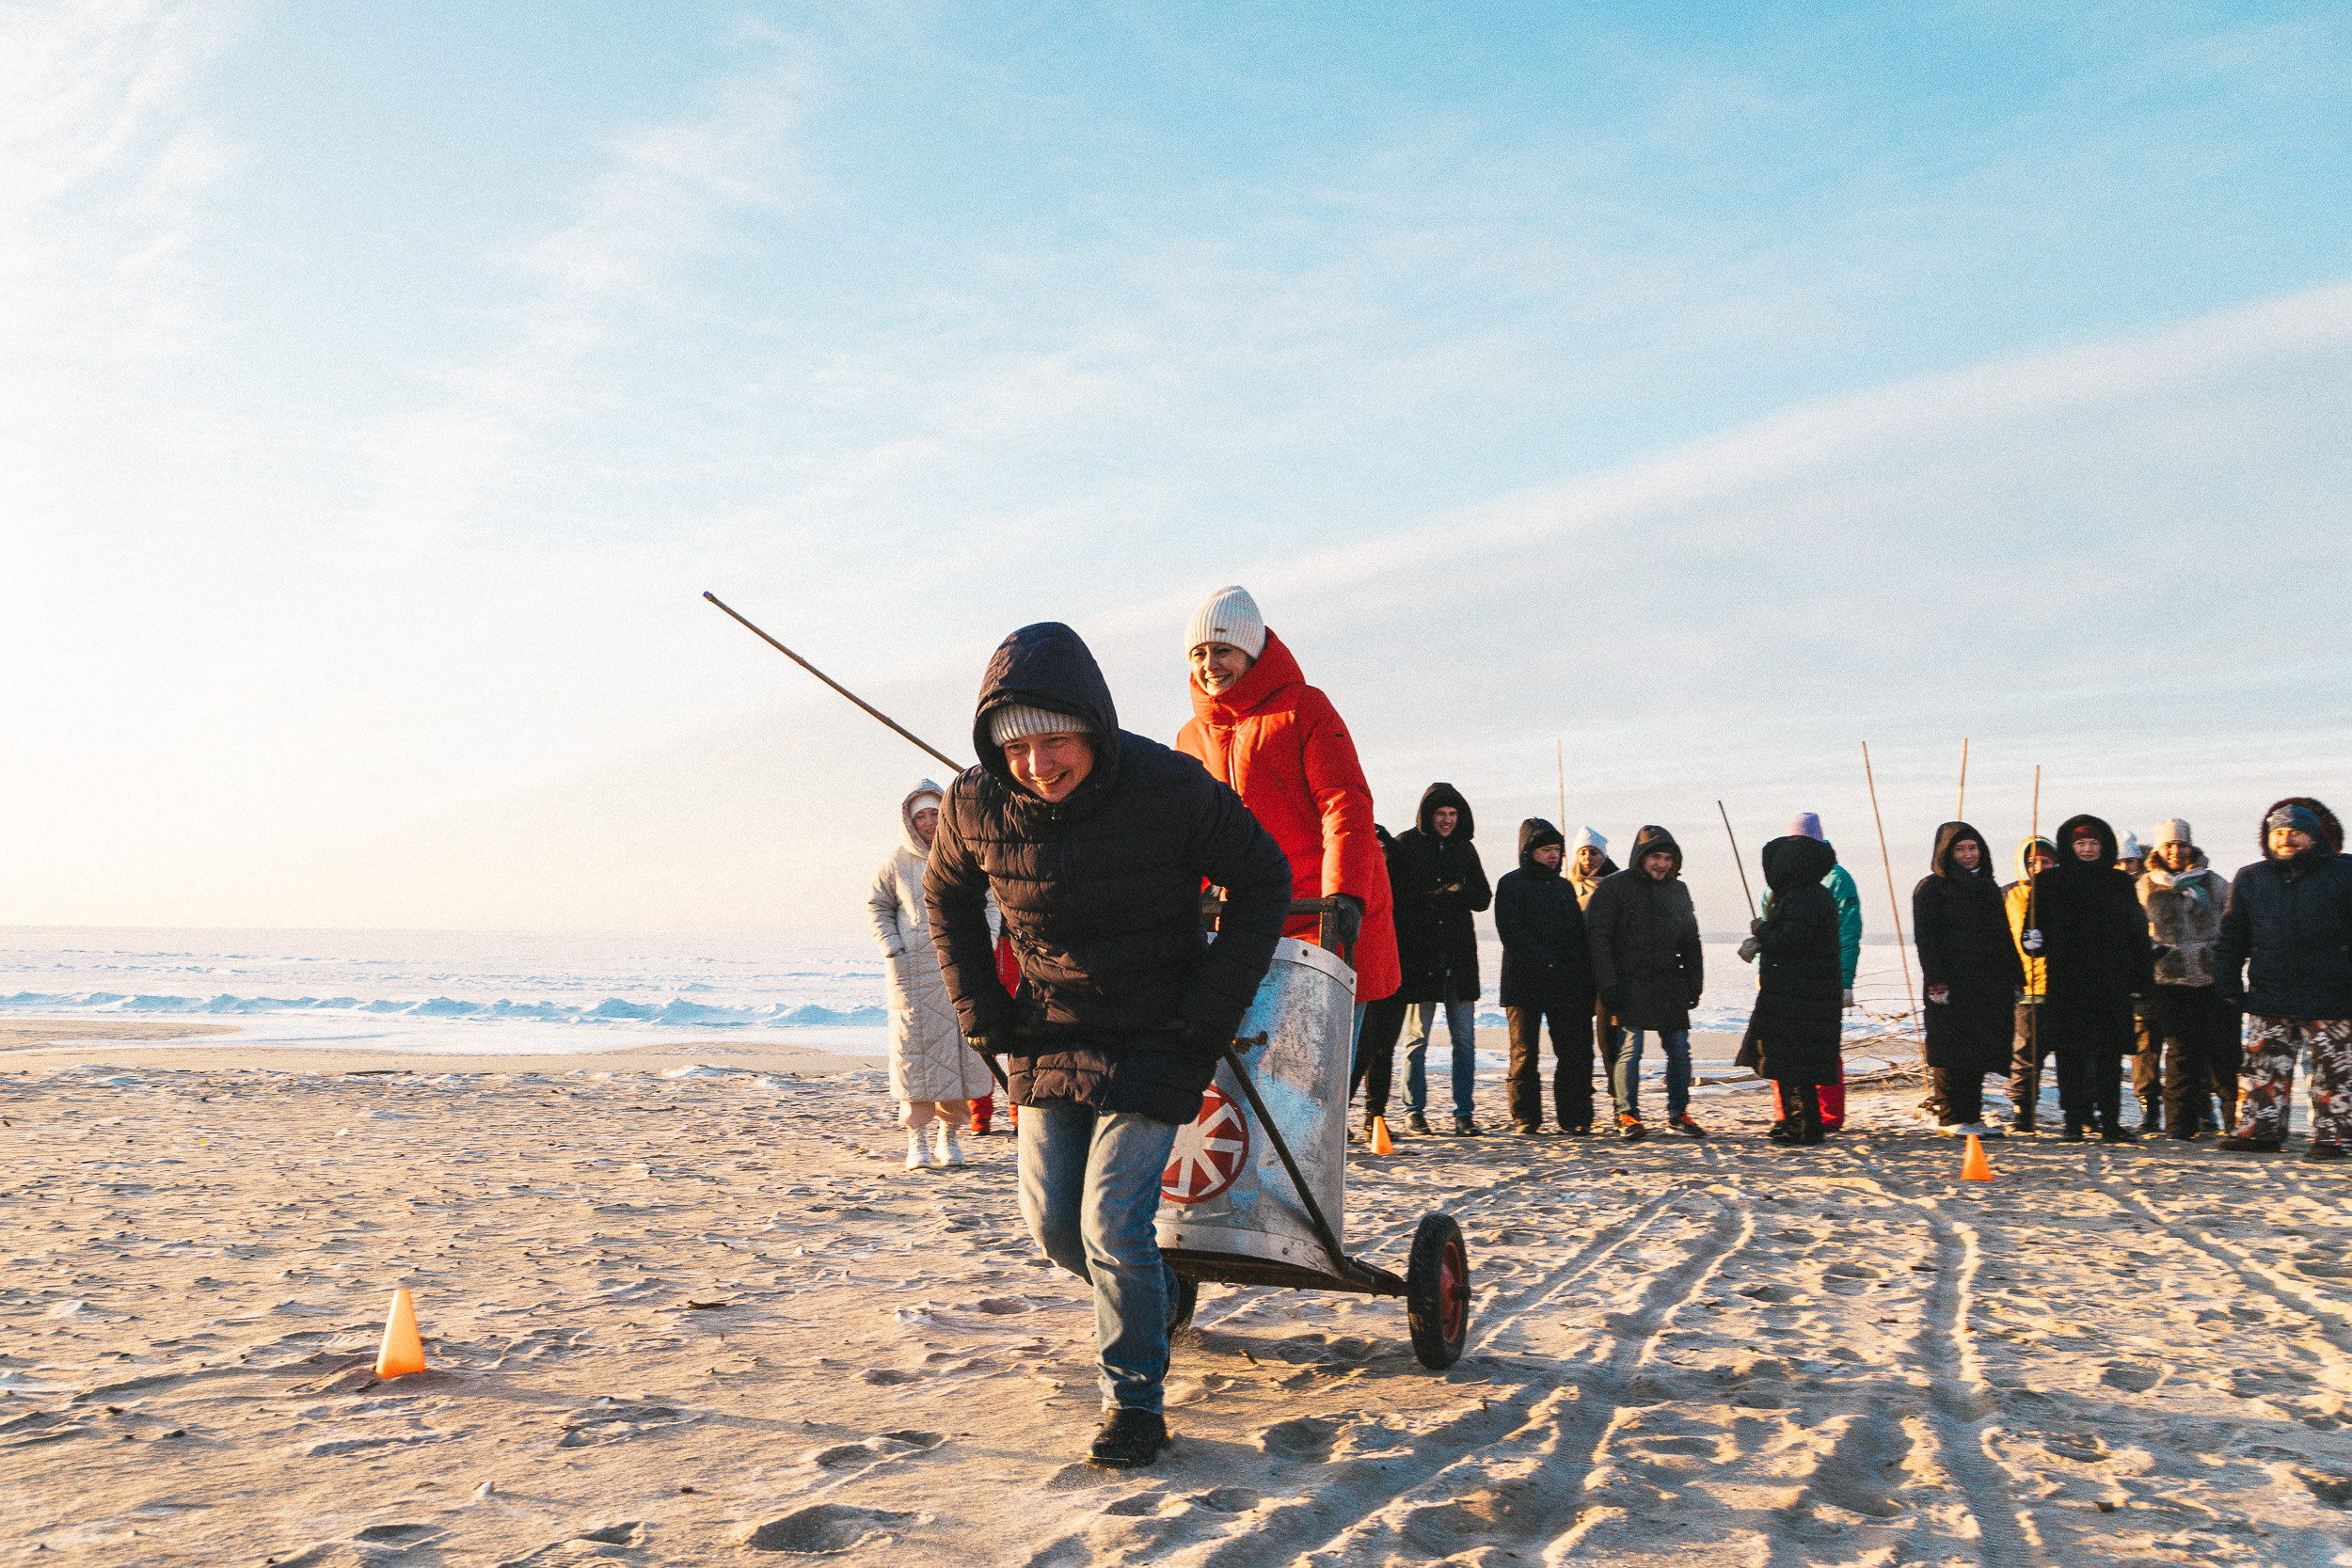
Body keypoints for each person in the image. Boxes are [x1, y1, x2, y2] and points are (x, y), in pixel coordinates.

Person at [925, 622, 1291, 1468]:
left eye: (1056, 740)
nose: (1039, 764)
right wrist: (981, 1008)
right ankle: (1156, 1296)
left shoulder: (1168, 785)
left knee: (1110, 1219)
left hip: (1163, 1027)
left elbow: (1264, 874)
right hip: (1050, 1026)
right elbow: (947, 898)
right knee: (1053, 1224)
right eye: (1017, 747)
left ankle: (1133, 1402)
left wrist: (1211, 1005)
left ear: (1092, 723)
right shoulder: (974, 800)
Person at [1174, 586, 1400, 1028]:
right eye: (1198, 654)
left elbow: (1344, 803)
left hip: (1319, 916)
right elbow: (1190, 831)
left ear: (1252, 652)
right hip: (1244, 924)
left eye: (1223, 650)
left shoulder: (1303, 709)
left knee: (1316, 1083)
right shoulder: (1190, 737)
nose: (1209, 665)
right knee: (1250, 1085)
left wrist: (1345, 894)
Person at [867, 780, 998, 1169]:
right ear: (909, 820)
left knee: (961, 1054)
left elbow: (992, 902)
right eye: (920, 815)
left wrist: (987, 942)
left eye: (934, 813)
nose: (928, 821)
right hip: (913, 973)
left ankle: (950, 1137)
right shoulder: (895, 863)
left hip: (961, 967)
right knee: (915, 1057)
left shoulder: (969, 855)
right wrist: (893, 947)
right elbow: (877, 907)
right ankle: (917, 1142)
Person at [2212, 799, 2352, 1159]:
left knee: (2333, 1073)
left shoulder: (2344, 874)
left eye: (2296, 832)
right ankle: (2259, 1133)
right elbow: (2232, 937)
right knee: (2262, 1071)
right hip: (2269, 993)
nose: (2286, 839)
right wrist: (2227, 983)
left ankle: (2334, 1138)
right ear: (2268, 838)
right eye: (2279, 833)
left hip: (2332, 995)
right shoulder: (2250, 878)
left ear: (2314, 837)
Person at [2035, 814, 2153, 1143]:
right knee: (2070, 1053)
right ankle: (2073, 1121)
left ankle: (2111, 1122)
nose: (2087, 850)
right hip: (2067, 980)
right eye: (2080, 843)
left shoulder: (2118, 882)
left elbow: (2137, 934)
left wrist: (2141, 979)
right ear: (2068, 847)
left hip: (2111, 981)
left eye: (2094, 843)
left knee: (2110, 1054)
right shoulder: (2049, 883)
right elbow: (2036, 933)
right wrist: (2031, 942)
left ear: (2106, 847)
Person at [1584, 824, 1706, 1141]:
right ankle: (1627, 1114)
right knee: (1629, 1050)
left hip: (1669, 982)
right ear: (1641, 857)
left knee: (1680, 1051)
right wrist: (1608, 984)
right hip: (1629, 983)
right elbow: (1599, 939)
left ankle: (1678, 1113)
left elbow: (1690, 940)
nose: (1662, 864)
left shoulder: (1678, 890)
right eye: (1656, 857)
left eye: (1667, 858)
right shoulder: (1614, 887)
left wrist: (1694, 982)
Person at [1390, 784, 1492, 1135]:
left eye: (1453, 814)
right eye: (1441, 814)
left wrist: (1458, 890)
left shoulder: (1465, 849)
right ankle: (1413, 1111)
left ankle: (1464, 1113)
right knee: (1416, 1039)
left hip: (1459, 960)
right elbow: (1399, 898)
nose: (1447, 820)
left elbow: (1482, 898)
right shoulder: (1406, 845)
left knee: (1464, 1041)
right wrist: (1434, 895)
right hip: (1422, 960)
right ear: (1428, 815)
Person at [1913, 821, 2026, 1138]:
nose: (1967, 855)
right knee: (1951, 1050)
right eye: (1959, 849)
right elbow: (1926, 938)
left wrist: (2016, 978)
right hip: (1949, 983)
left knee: (1978, 1048)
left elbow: (2004, 937)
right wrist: (1936, 980)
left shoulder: (1988, 887)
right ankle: (1950, 1116)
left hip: (1987, 983)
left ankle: (1970, 1115)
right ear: (1945, 852)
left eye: (1972, 848)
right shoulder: (1932, 887)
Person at [1737, 834, 1844, 1144]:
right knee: (1793, 1064)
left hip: (1799, 997)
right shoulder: (1810, 894)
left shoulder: (1803, 897)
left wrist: (1762, 929)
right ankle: (1797, 1123)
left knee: (1794, 1065)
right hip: (1802, 994)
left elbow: (1792, 940)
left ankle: (1802, 1127)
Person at [1496, 818, 1597, 1134]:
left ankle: (1575, 1117)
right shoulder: (1511, 883)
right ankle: (1525, 1117)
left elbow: (1576, 935)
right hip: (1523, 982)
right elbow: (1511, 932)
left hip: (1564, 985)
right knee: (1525, 1053)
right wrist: (1546, 962)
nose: (1553, 855)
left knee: (1572, 1051)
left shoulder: (1564, 887)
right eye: (1545, 849)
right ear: (1529, 851)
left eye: (1556, 849)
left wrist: (1577, 973)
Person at [2138, 817, 2237, 1139]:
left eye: (2181, 844)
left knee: (2224, 1056)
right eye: (2168, 845)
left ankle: (2236, 1124)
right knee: (2180, 1054)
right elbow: (2136, 934)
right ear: (2158, 849)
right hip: (2168, 983)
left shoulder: (2214, 883)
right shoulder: (2145, 886)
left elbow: (2234, 924)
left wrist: (2225, 958)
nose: (2176, 851)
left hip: (2214, 979)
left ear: (2191, 846)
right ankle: (2180, 1127)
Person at [1786, 812, 1862, 1132]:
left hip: (1825, 975)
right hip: (1787, 976)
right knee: (1785, 1047)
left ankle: (1830, 1116)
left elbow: (1848, 932)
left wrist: (1845, 981)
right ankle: (1789, 1113)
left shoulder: (1837, 877)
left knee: (1824, 1046)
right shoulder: (1780, 875)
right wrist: (1763, 969)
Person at [1349, 825, 1411, 1140]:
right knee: (1358, 1051)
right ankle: (1337, 1114)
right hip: (1360, 975)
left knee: (1384, 1050)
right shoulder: (1353, 885)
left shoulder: (1402, 886)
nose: (1379, 855)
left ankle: (1376, 1118)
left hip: (1394, 975)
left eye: (1383, 850)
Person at [1568, 829, 1625, 1124]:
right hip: (1577, 975)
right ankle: (1582, 1103)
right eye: (1583, 852)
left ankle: (1621, 1104)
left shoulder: (1618, 884)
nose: (1589, 858)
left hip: (1607, 974)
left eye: (1594, 852)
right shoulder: (1566, 885)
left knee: (1609, 1041)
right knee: (1578, 1043)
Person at [2003, 836, 2059, 1131]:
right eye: (2032, 862)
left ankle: (2082, 1112)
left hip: (2062, 987)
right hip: (2026, 989)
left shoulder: (2067, 892)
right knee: (2026, 1053)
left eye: (2046, 862)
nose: (2039, 867)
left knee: (2074, 1055)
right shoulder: (2008, 894)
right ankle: (2023, 1111)